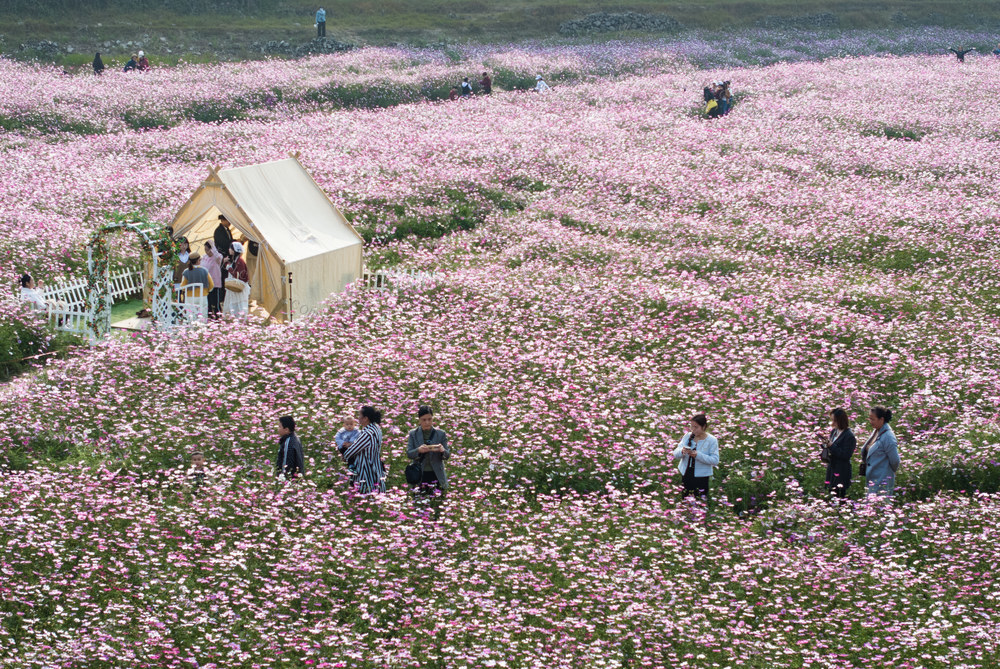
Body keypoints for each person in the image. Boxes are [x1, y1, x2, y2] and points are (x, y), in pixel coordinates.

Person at [672, 414, 720, 501]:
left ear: (704, 427)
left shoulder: (712, 440)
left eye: (696, 427)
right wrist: (682, 451)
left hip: (701, 476)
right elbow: (675, 453)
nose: (693, 430)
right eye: (691, 427)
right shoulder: (687, 436)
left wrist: (698, 455)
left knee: (700, 500)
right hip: (686, 473)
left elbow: (715, 460)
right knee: (685, 499)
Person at [342, 406, 385, 493]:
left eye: (360, 415)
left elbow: (352, 451)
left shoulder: (367, 433)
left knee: (366, 494)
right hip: (375, 467)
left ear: (365, 418)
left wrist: (344, 454)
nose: (358, 418)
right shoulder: (375, 428)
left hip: (366, 470)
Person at [406, 406, 450, 492]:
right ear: (419, 420)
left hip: (436, 474)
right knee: (419, 502)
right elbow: (409, 454)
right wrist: (418, 450)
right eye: (424, 420)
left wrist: (442, 450)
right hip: (420, 474)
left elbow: (447, 455)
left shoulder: (440, 434)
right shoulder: (413, 434)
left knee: (437, 502)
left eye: (429, 419)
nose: (427, 422)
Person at [860, 407, 899, 498]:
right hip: (872, 477)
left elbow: (895, 461)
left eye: (872, 419)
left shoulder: (888, 437)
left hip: (882, 479)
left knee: (880, 507)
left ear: (881, 419)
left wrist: (887, 473)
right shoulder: (876, 431)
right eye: (869, 418)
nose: (870, 421)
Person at [823, 408, 857, 499]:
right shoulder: (834, 431)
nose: (832, 423)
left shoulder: (849, 436)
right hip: (832, 468)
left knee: (839, 495)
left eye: (834, 420)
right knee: (830, 493)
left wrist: (831, 446)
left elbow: (846, 455)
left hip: (841, 471)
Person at [222, 241, 249, 317]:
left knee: (239, 303)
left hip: (239, 286)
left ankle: (240, 318)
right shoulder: (236, 260)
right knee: (236, 303)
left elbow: (239, 275)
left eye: (230, 248)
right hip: (237, 286)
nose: (229, 249)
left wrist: (229, 268)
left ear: (234, 250)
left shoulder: (240, 261)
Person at [201, 240, 224, 319]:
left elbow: (218, 256)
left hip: (215, 282)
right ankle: (209, 314)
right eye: (205, 250)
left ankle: (218, 315)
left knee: (216, 300)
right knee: (208, 300)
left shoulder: (217, 257)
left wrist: (213, 246)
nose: (207, 252)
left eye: (208, 250)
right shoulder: (204, 257)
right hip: (206, 283)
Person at [334, 416, 361, 482]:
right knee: (346, 452)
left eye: (351, 424)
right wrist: (343, 443)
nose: (349, 426)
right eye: (347, 424)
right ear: (344, 425)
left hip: (352, 446)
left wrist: (350, 443)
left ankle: (351, 465)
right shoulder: (341, 431)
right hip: (343, 446)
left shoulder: (356, 431)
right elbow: (337, 438)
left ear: (354, 424)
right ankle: (349, 463)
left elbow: (357, 437)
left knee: (351, 454)